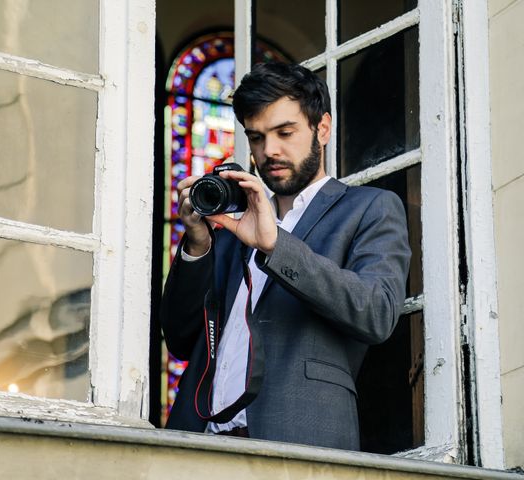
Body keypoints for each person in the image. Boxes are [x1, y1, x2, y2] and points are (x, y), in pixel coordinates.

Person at [161, 62, 411, 450]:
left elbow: (377, 312)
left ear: (322, 129)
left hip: (300, 443)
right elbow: (179, 340)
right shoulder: (232, 225)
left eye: (285, 132)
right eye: (257, 137)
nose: (269, 150)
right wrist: (197, 243)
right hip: (198, 444)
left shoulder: (371, 208)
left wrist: (275, 244)